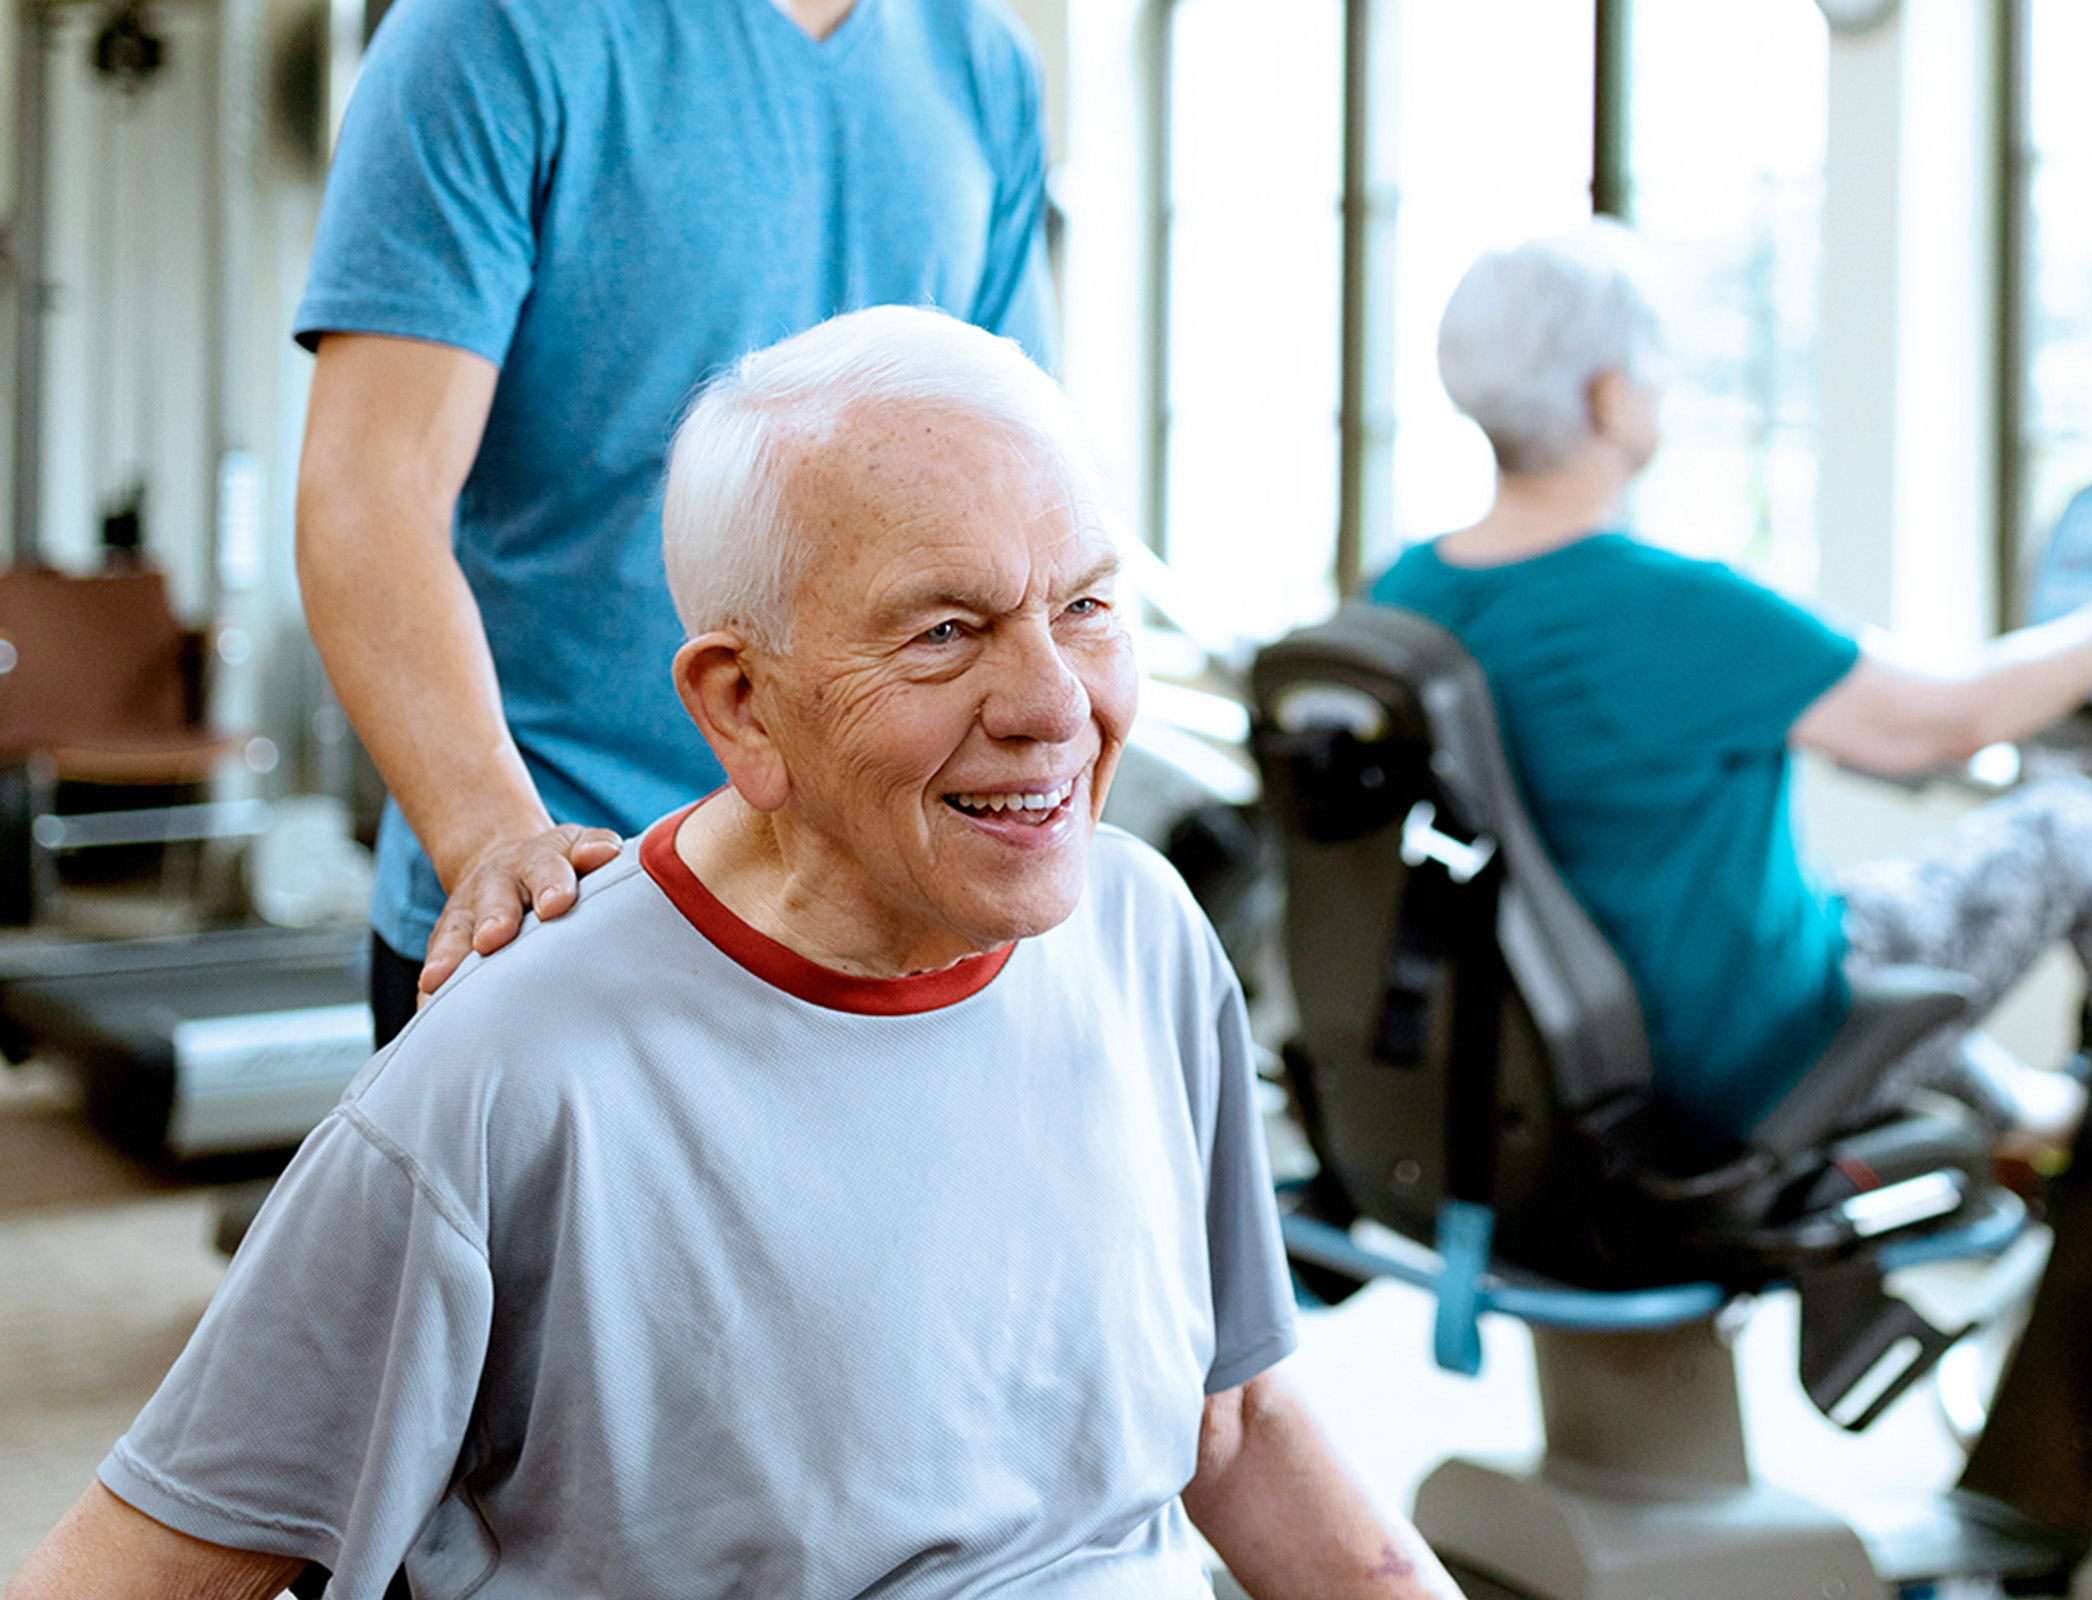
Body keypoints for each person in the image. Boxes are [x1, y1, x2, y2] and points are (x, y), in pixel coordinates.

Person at [5, 309, 1465, 1600]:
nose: (1052, 704)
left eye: (1083, 606)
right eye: (947, 633)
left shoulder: (1143, 930)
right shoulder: (505, 1082)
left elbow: (1237, 1423)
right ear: (744, 708)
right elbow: (135, 1571)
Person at [1370, 219, 2092, 1229]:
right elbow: (1950, 722)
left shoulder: (1406, 592)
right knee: (2067, 830)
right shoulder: (1667, 604)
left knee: (1866, 919)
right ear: (1607, 392)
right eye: (1655, 361)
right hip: (1728, 1056)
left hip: (1534, 1046)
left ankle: (2037, 1116)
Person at [293, 0, 1059, 1047]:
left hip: (889, 906)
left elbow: (1024, 491)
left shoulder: (982, 61)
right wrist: (494, 845)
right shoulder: (491, 32)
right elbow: (368, 492)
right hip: (573, 904)